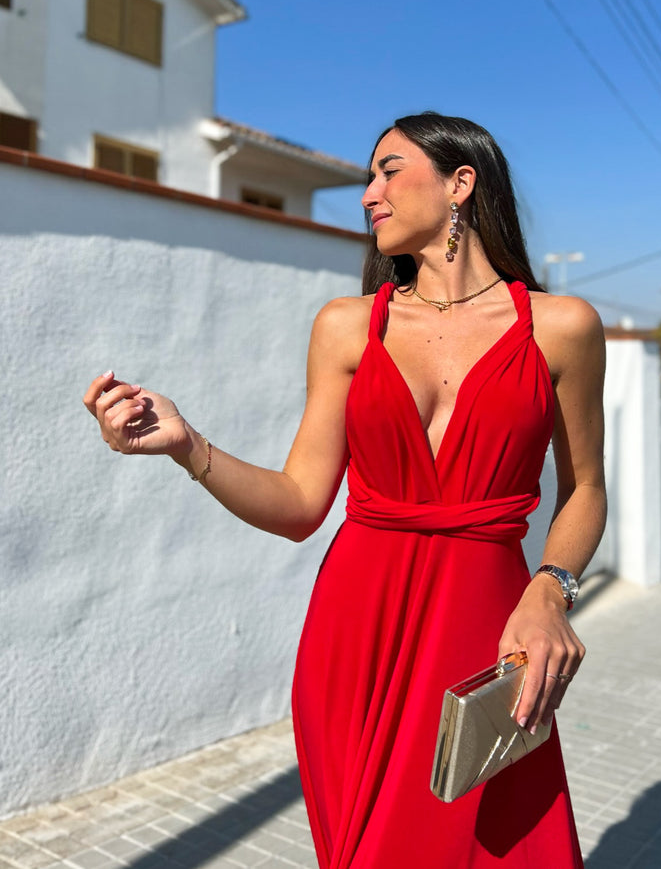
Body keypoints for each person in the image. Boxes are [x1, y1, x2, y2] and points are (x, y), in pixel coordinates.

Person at [84, 111, 606, 868]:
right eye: (369, 176)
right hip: (354, 639)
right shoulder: (345, 327)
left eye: (389, 170)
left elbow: (585, 487)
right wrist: (185, 444)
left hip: (488, 635)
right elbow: (300, 503)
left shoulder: (562, 328)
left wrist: (550, 590)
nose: (368, 193)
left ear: (462, 182)